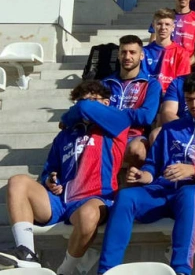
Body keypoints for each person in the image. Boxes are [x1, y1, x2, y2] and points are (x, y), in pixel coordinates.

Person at [97, 73, 195, 275]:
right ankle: (107, 271)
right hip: (161, 191)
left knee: (189, 193)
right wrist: (142, 175)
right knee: (125, 196)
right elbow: (152, 166)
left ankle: (181, 270)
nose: (194, 105)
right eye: (189, 100)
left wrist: (193, 170)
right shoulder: (169, 129)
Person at [0, 82, 131, 272]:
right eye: (82, 100)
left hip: (96, 197)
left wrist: (69, 114)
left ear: (106, 102)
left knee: (88, 215)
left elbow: (84, 108)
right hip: (61, 200)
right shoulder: (65, 135)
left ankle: (65, 271)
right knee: (17, 182)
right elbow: (49, 169)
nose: (86, 105)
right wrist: (50, 180)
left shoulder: (117, 122)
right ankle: (27, 253)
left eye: (93, 100)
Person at [102, 35, 162, 168]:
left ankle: (134, 180)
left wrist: (112, 113)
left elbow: (146, 117)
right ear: (118, 55)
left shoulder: (151, 84)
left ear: (141, 56)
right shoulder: (105, 83)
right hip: (106, 134)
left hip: (134, 135)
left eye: (132, 52)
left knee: (138, 150)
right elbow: (94, 111)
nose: (127, 56)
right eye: (123, 52)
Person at [142, 8, 191, 92]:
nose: (163, 27)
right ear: (153, 26)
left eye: (167, 24)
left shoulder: (182, 53)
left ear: (173, 27)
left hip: (171, 95)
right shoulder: (143, 52)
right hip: (148, 94)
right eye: (159, 24)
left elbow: (182, 81)